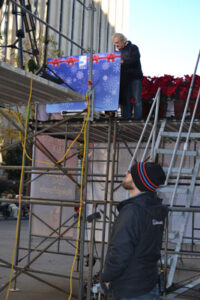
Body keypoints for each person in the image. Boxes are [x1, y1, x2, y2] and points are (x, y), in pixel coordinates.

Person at [101, 161, 168, 300]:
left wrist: (107, 277)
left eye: (130, 172)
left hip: (130, 288)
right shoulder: (155, 209)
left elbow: (120, 251)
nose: (126, 174)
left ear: (139, 180)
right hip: (149, 284)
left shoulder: (132, 211)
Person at [112, 33, 143, 119]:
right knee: (125, 100)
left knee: (137, 99)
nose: (116, 45)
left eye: (117, 42)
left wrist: (123, 62)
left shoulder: (133, 48)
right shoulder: (117, 53)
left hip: (135, 78)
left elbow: (135, 59)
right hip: (124, 80)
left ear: (123, 41)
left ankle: (138, 119)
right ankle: (126, 119)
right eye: (115, 43)